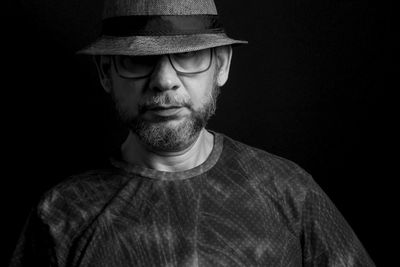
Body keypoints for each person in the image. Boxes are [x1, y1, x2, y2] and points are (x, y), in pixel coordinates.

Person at [9, 0, 375, 266]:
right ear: (106, 73)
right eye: (137, 59)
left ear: (222, 65)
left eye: (188, 56)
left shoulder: (291, 192)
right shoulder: (61, 214)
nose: (164, 81)